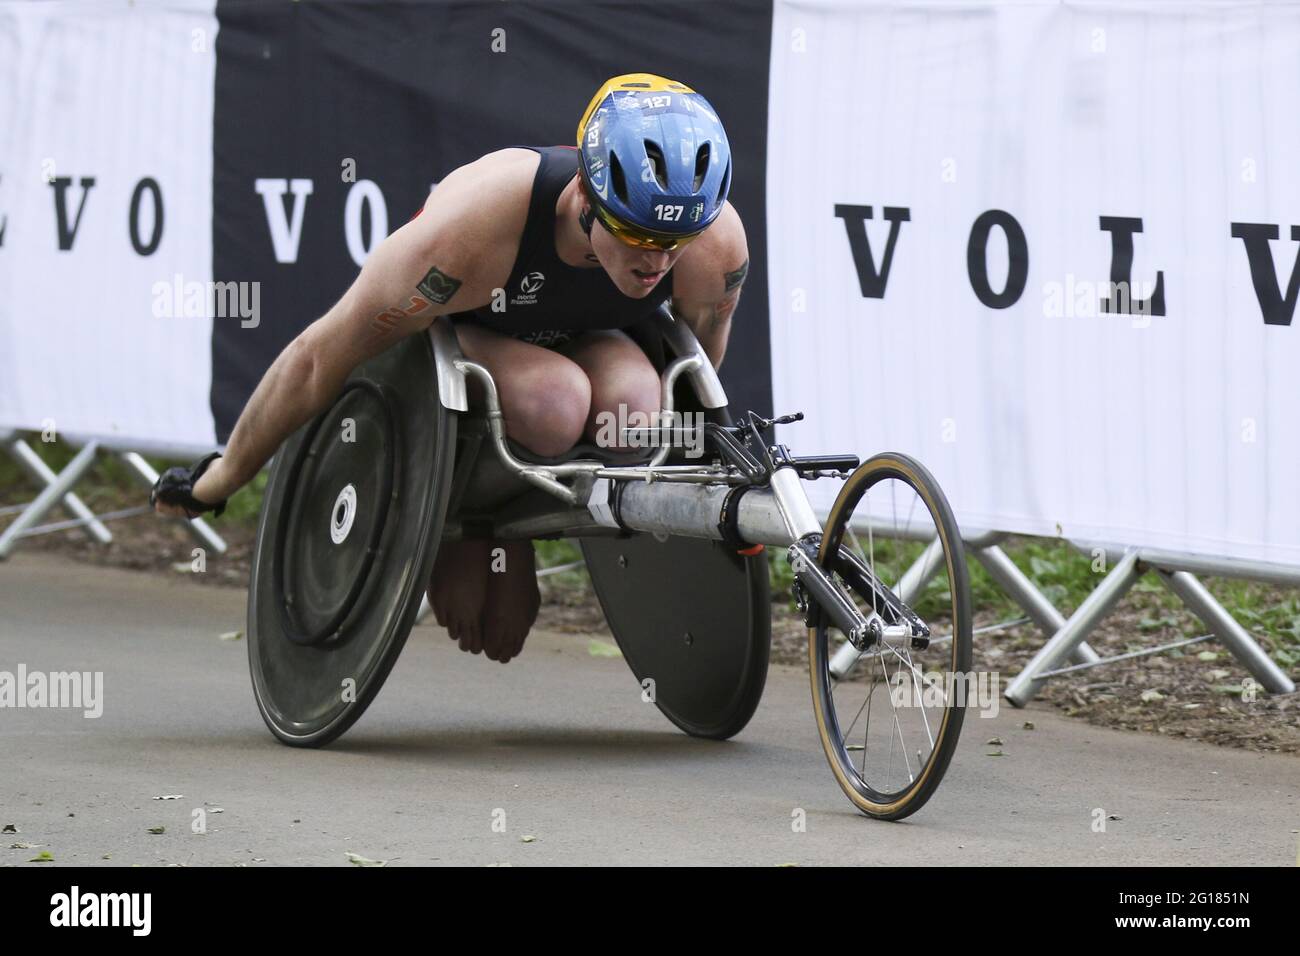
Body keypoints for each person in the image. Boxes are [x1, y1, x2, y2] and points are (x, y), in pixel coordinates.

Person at [152, 73, 750, 664]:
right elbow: (317, 358)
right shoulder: (470, 230)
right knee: (556, 402)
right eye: (639, 235)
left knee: (638, 413)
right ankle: (463, 523)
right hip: (469, 339)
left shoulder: (714, 246)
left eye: (677, 239)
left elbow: (700, 373)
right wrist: (223, 476)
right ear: (586, 197)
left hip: (589, 336)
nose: (657, 262)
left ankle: (518, 528)